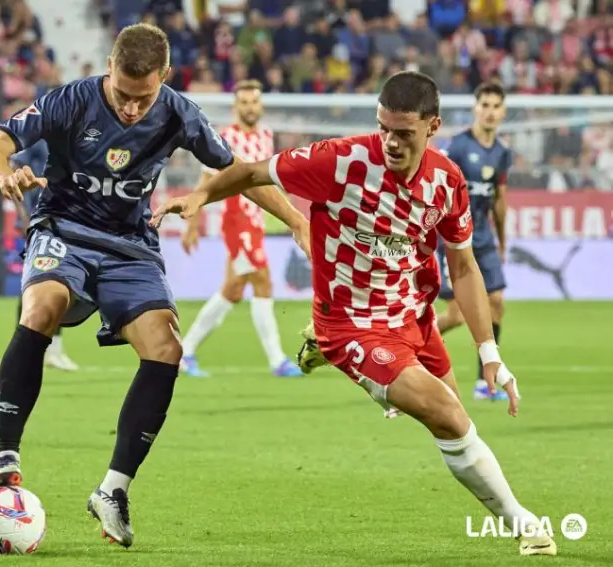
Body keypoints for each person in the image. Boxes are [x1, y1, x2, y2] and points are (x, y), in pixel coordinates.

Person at [152, 71, 556, 557]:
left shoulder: (447, 182)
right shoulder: (341, 160)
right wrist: (202, 196)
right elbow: (253, 171)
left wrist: (488, 351)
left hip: (413, 315)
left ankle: (356, 368)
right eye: (384, 127)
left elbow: (464, 266)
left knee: (453, 416)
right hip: (351, 325)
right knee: (448, 415)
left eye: (404, 132)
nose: (390, 141)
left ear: (432, 127)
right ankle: (525, 525)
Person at [0, 23, 309, 548]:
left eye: (142, 98)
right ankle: (5, 454)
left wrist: (297, 221)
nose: (131, 109)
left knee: (165, 349)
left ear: (165, 78)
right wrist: (4, 175)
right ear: (109, 67)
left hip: (131, 244)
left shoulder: (179, 112)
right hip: (64, 229)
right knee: (43, 307)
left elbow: (239, 172)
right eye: (123, 96)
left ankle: (113, 490)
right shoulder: (70, 101)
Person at [179, 79, 303, 378]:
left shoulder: (266, 136)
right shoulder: (225, 138)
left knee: (233, 290)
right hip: (236, 220)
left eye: (254, 101)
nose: (249, 107)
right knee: (262, 281)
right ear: (236, 107)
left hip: (256, 221)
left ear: (260, 105)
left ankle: (184, 352)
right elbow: (206, 182)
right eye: (244, 102)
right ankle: (277, 360)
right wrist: (192, 224)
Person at [436, 82, 511, 400]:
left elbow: (499, 199)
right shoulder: (456, 148)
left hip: (483, 239)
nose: (490, 111)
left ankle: (485, 382)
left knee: (495, 304)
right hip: (454, 239)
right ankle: (406, 344)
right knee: (457, 314)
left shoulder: (503, 153)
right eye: (485, 105)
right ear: (475, 109)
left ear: (503, 112)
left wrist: (502, 240)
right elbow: (438, 190)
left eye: (496, 106)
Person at [12, 142, 79, 371]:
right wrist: (22, 214)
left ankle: (52, 350)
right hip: (41, 219)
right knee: (39, 282)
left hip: (66, 219)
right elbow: (15, 168)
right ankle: (27, 348)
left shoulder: (76, 134)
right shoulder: (39, 137)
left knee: (58, 282)